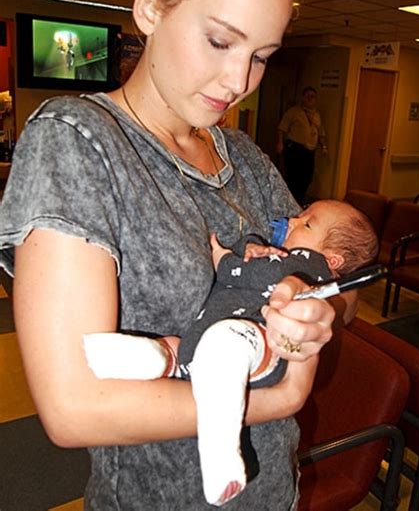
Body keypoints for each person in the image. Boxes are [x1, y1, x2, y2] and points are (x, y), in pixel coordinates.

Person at [0, 0, 357, 510]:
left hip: (274, 492)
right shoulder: (78, 141)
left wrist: (318, 316)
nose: (239, 79)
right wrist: (284, 392)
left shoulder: (243, 156)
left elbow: (336, 284)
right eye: (220, 40)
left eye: (262, 55)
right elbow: (74, 406)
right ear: (150, 8)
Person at [83, 199, 378, 506]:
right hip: (203, 342)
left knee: (224, 345)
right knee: (181, 347)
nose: (290, 219)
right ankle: (157, 357)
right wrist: (251, 246)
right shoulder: (287, 253)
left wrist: (223, 257)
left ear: (332, 261)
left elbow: (248, 275)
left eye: (306, 223)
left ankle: (222, 453)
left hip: (255, 342)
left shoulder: (306, 265)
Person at [277, 86, 328, 206]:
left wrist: (324, 146)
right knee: (294, 178)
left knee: (307, 177)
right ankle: (291, 202)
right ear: (303, 98)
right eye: (308, 96)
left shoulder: (316, 115)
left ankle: (299, 201)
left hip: (310, 150)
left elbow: (321, 132)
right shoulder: (294, 112)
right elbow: (282, 128)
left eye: (313, 97)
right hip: (295, 149)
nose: (310, 99)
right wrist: (280, 143)